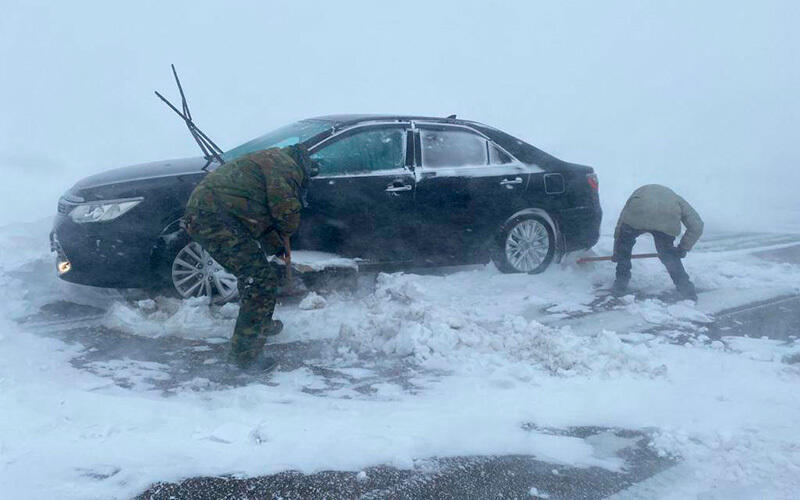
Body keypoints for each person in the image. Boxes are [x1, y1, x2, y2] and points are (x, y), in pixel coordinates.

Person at [183, 144, 318, 371]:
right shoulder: (285, 166)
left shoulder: (270, 158)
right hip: (214, 219)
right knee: (259, 280)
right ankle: (245, 357)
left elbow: (257, 211)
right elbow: (284, 210)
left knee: (255, 276)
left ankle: (258, 325)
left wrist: (275, 245)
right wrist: (289, 225)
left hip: (213, 215)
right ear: (303, 166)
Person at [612, 184, 704, 301]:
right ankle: (687, 292)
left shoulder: (638, 194)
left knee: (624, 246)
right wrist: (682, 248)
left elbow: (621, 225)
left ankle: (620, 285)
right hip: (667, 216)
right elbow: (697, 225)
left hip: (638, 209)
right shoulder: (677, 200)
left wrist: (618, 252)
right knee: (669, 257)